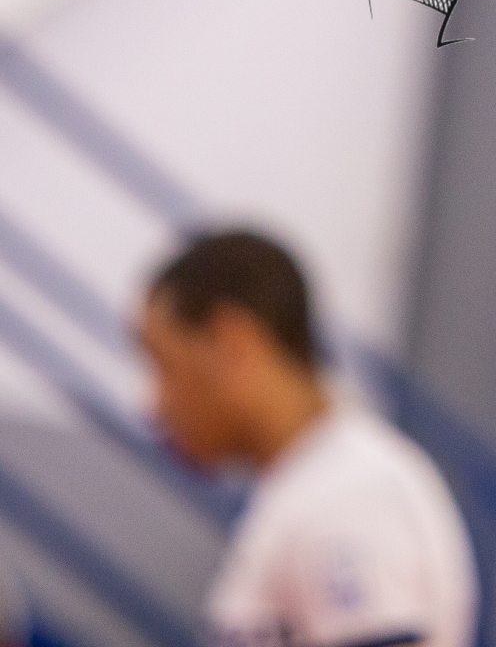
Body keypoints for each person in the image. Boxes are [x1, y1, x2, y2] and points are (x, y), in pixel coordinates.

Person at [138, 230, 476, 647]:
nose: (153, 406)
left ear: (231, 342)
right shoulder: (310, 483)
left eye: (163, 365)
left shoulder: (352, 491)